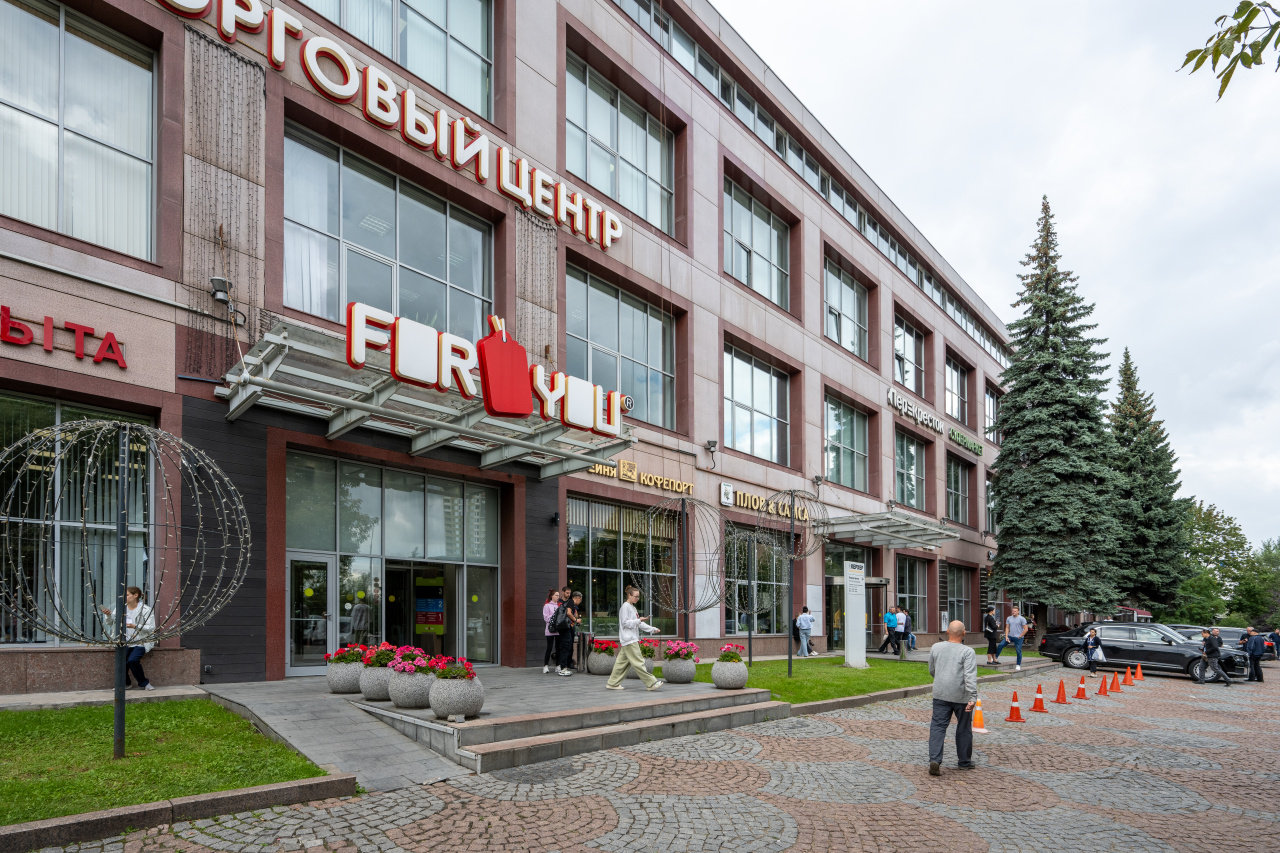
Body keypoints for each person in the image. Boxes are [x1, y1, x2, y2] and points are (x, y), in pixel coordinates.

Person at [927, 620, 978, 776]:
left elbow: (932, 670)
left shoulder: (936, 647)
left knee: (937, 726)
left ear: (947, 631)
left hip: (940, 693)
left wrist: (941, 679)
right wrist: (972, 696)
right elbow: (969, 676)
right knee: (964, 727)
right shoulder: (967, 652)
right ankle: (964, 762)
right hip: (961, 695)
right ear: (964, 633)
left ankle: (935, 759)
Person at [606, 586, 662, 691]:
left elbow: (638, 623)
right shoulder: (625, 607)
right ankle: (651, 683)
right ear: (629, 595)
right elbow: (625, 623)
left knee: (621, 663)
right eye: (635, 596)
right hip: (630, 640)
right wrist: (639, 620)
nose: (637, 599)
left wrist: (652, 629)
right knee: (639, 662)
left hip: (629, 640)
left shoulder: (632, 607)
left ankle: (612, 683)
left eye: (638, 597)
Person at [99, 586, 156, 690]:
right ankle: (126, 684)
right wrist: (108, 615)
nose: (124, 597)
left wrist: (135, 626)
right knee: (121, 661)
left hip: (141, 642)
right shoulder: (121, 608)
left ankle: (144, 683)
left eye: (127, 595)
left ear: (135, 595)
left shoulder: (146, 610)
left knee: (132, 660)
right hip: (124, 641)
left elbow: (151, 628)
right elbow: (110, 622)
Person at [557, 591, 584, 676]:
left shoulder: (571, 604)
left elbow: (572, 614)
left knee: (566, 646)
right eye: (580, 600)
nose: (580, 602)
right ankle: (563, 668)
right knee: (566, 646)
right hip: (565, 628)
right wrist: (576, 620)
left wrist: (575, 616)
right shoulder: (571, 602)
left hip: (565, 628)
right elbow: (568, 613)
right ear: (578, 598)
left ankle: (563, 667)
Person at [994, 606, 1027, 670]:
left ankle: (1018, 665)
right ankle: (995, 657)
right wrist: (1006, 636)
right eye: (1012, 611)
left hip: (1018, 637)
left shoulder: (1022, 619)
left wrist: (1020, 636)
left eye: (1015, 611)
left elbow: (1026, 629)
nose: (1013, 612)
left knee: (1018, 651)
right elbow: (1007, 627)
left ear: (1018, 611)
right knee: (1000, 645)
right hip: (1010, 636)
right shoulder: (1009, 618)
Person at [542, 589, 561, 674]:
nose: (558, 597)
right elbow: (546, 618)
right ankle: (545, 665)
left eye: (558, 595)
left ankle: (558, 665)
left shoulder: (559, 606)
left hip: (558, 630)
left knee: (558, 648)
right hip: (550, 630)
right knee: (549, 647)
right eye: (556, 595)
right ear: (552, 596)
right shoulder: (547, 606)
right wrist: (554, 617)